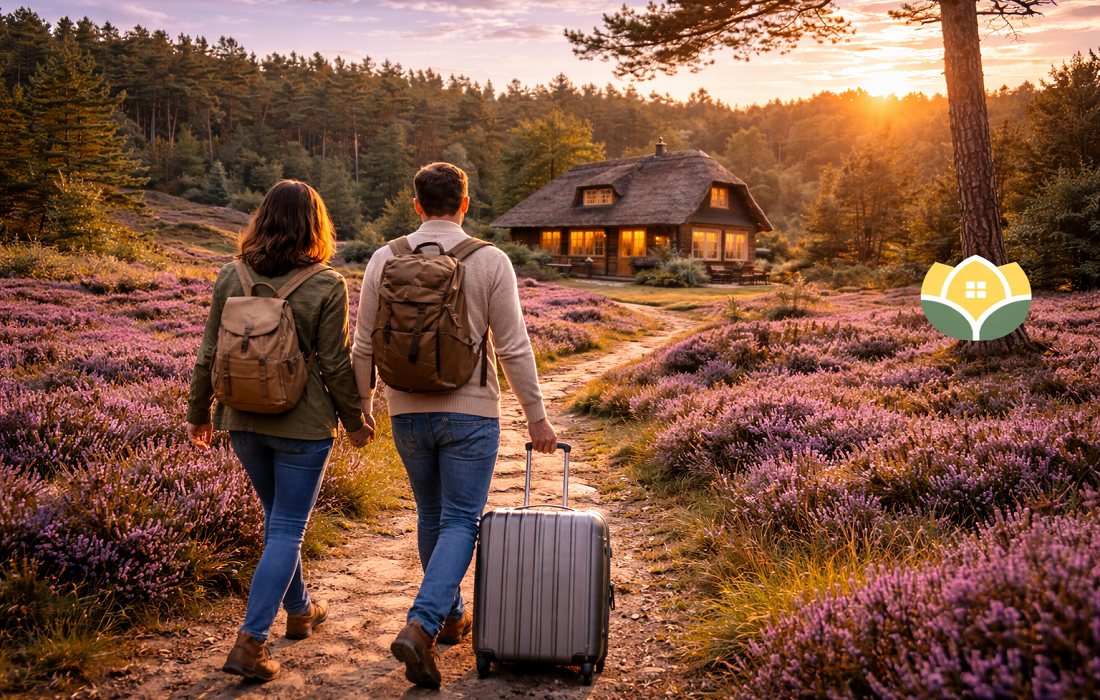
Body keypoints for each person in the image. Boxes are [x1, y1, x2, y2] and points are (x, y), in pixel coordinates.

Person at [352, 162, 557, 689]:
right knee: (462, 521)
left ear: (415, 204)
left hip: (405, 409)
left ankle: (450, 617)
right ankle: (422, 625)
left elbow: (363, 344)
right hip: (470, 412)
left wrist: (362, 409)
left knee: (432, 515)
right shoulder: (489, 260)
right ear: (465, 203)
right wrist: (537, 419)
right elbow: (513, 347)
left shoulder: (383, 257)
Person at [185, 180, 374, 682]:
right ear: (317, 224)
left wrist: (198, 412)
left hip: (241, 420)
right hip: (303, 424)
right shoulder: (326, 283)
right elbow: (335, 364)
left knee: (277, 524)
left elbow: (208, 351)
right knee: (288, 528)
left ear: (262, 218)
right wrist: (355, 422)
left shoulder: (232, 273)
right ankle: (251, 642)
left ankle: (302, 610)